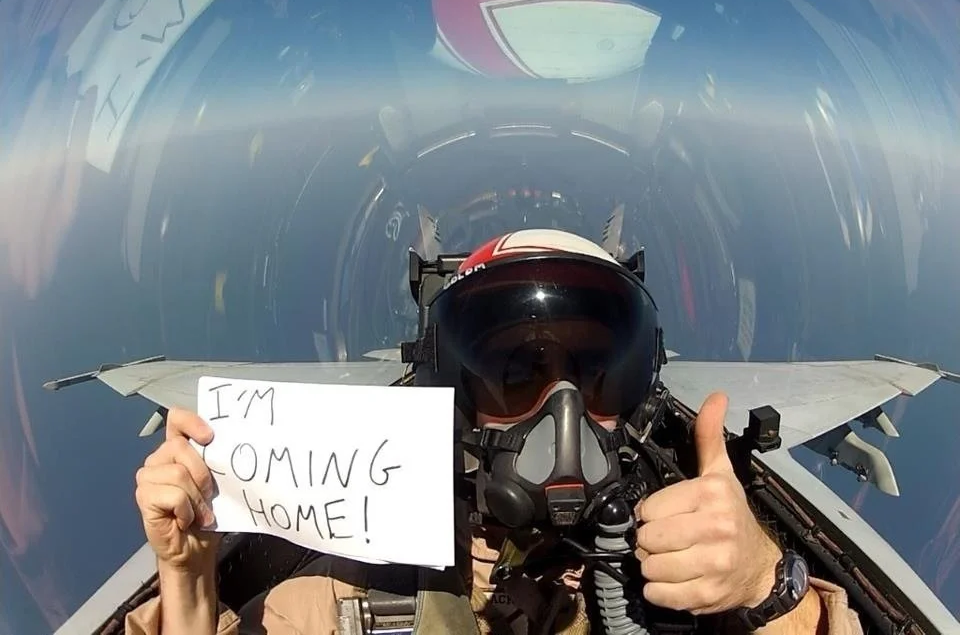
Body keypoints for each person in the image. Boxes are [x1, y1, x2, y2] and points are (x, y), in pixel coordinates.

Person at [126, 230, 864, 635]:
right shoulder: (344, 601)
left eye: (596, 371)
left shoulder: (699, 584)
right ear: (457, 399)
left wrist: (769, 588)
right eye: (517, 371)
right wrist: (188, 579)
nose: (562, 412)